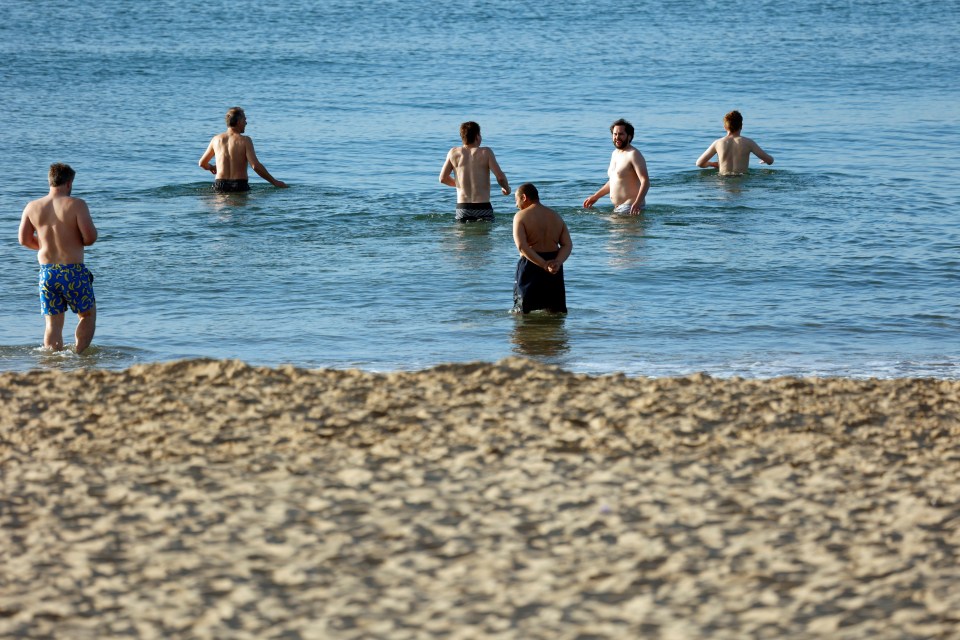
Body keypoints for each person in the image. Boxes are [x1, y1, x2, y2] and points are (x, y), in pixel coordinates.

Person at [18, 163, 98, 353]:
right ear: (69, 183)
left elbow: (23, 240)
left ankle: (52, 361)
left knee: (53, 323)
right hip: (73, 271)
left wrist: (46, 246)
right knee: (87, 315)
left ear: (50, 181)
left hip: (47, 273)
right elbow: (90, 238)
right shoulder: (76, 204)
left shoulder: (32, 206)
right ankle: (78, 355)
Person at [512, 183, 572, 314]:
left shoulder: (520, 216)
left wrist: (543, 264)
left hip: (531, 264)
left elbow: (522, 246)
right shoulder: (555, 216)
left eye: (516, 200)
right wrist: (557, 262)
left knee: (522, 312)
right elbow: (567, 244)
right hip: (554, 267)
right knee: (555, 312)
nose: (516, 205)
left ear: (524, 197)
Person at [199, 107, 288, 192]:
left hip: (220, 185)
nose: (246, 123)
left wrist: (211, 167)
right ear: (238, 122)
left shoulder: (216, 139)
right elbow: (255, 166)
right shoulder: (245, 140)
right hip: (239, 185)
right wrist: (275, 182)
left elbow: (202, 163)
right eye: (244, 120)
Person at [439, 121, 510, 222]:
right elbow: (500, 177)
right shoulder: (486, 152)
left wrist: (461, 184)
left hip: (463, 208)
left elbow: (442, 178)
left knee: (463, 237)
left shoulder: (453, 153)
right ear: (477, 136)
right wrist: (507, 189)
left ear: (462, 137)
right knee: (483, 237)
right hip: (483, 207)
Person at [583, 118, 650, 215]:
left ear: (629, 136)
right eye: (615, 134)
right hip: (620, 208)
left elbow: (645, 181)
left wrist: (637, 203)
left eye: (621, 134)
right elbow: (614, 181)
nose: (617, 137)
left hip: (631, 207)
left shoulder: (633, 154)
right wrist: (596, 196)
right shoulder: (615, 154)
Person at [696, 110, 774, 174]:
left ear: (725, 127)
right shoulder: (748, 142)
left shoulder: (718, 143)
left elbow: (699, 163)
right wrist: (766, 160)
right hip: (741, 179)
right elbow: (770, 161)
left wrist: (712, 164)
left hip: (723, 180)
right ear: (741, 126)